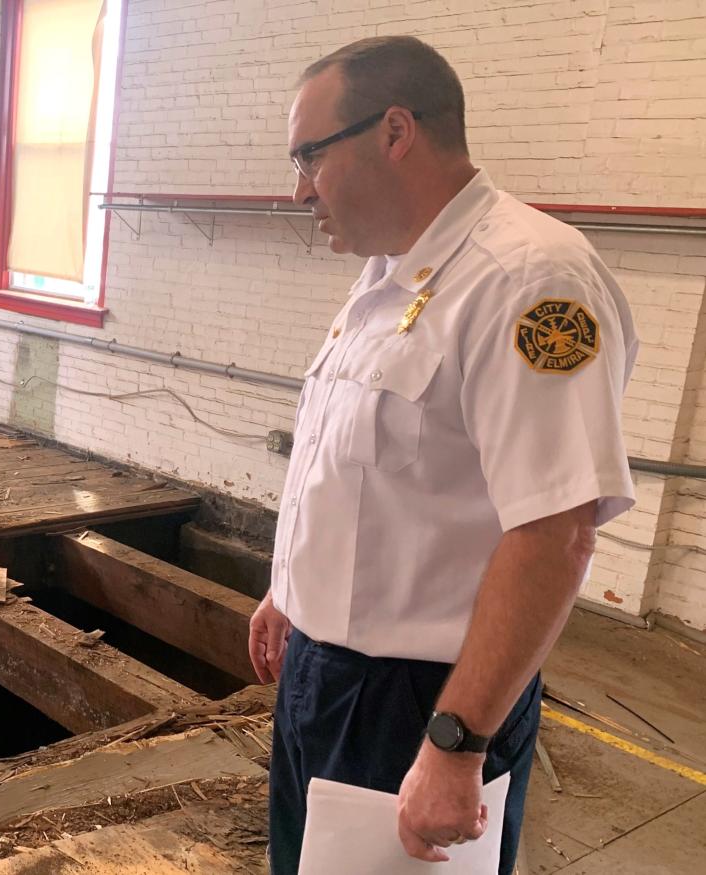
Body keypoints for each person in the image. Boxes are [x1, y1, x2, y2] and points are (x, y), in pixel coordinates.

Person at [249, 35, 637, 875]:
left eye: (310, 156)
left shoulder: (530, 280)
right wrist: (295, 590)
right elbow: (361, 472)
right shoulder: (391, 271)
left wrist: (456, 743)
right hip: (326, 677)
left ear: (395, 131)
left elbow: (557, 532)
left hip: (422, 698)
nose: (299, 188)